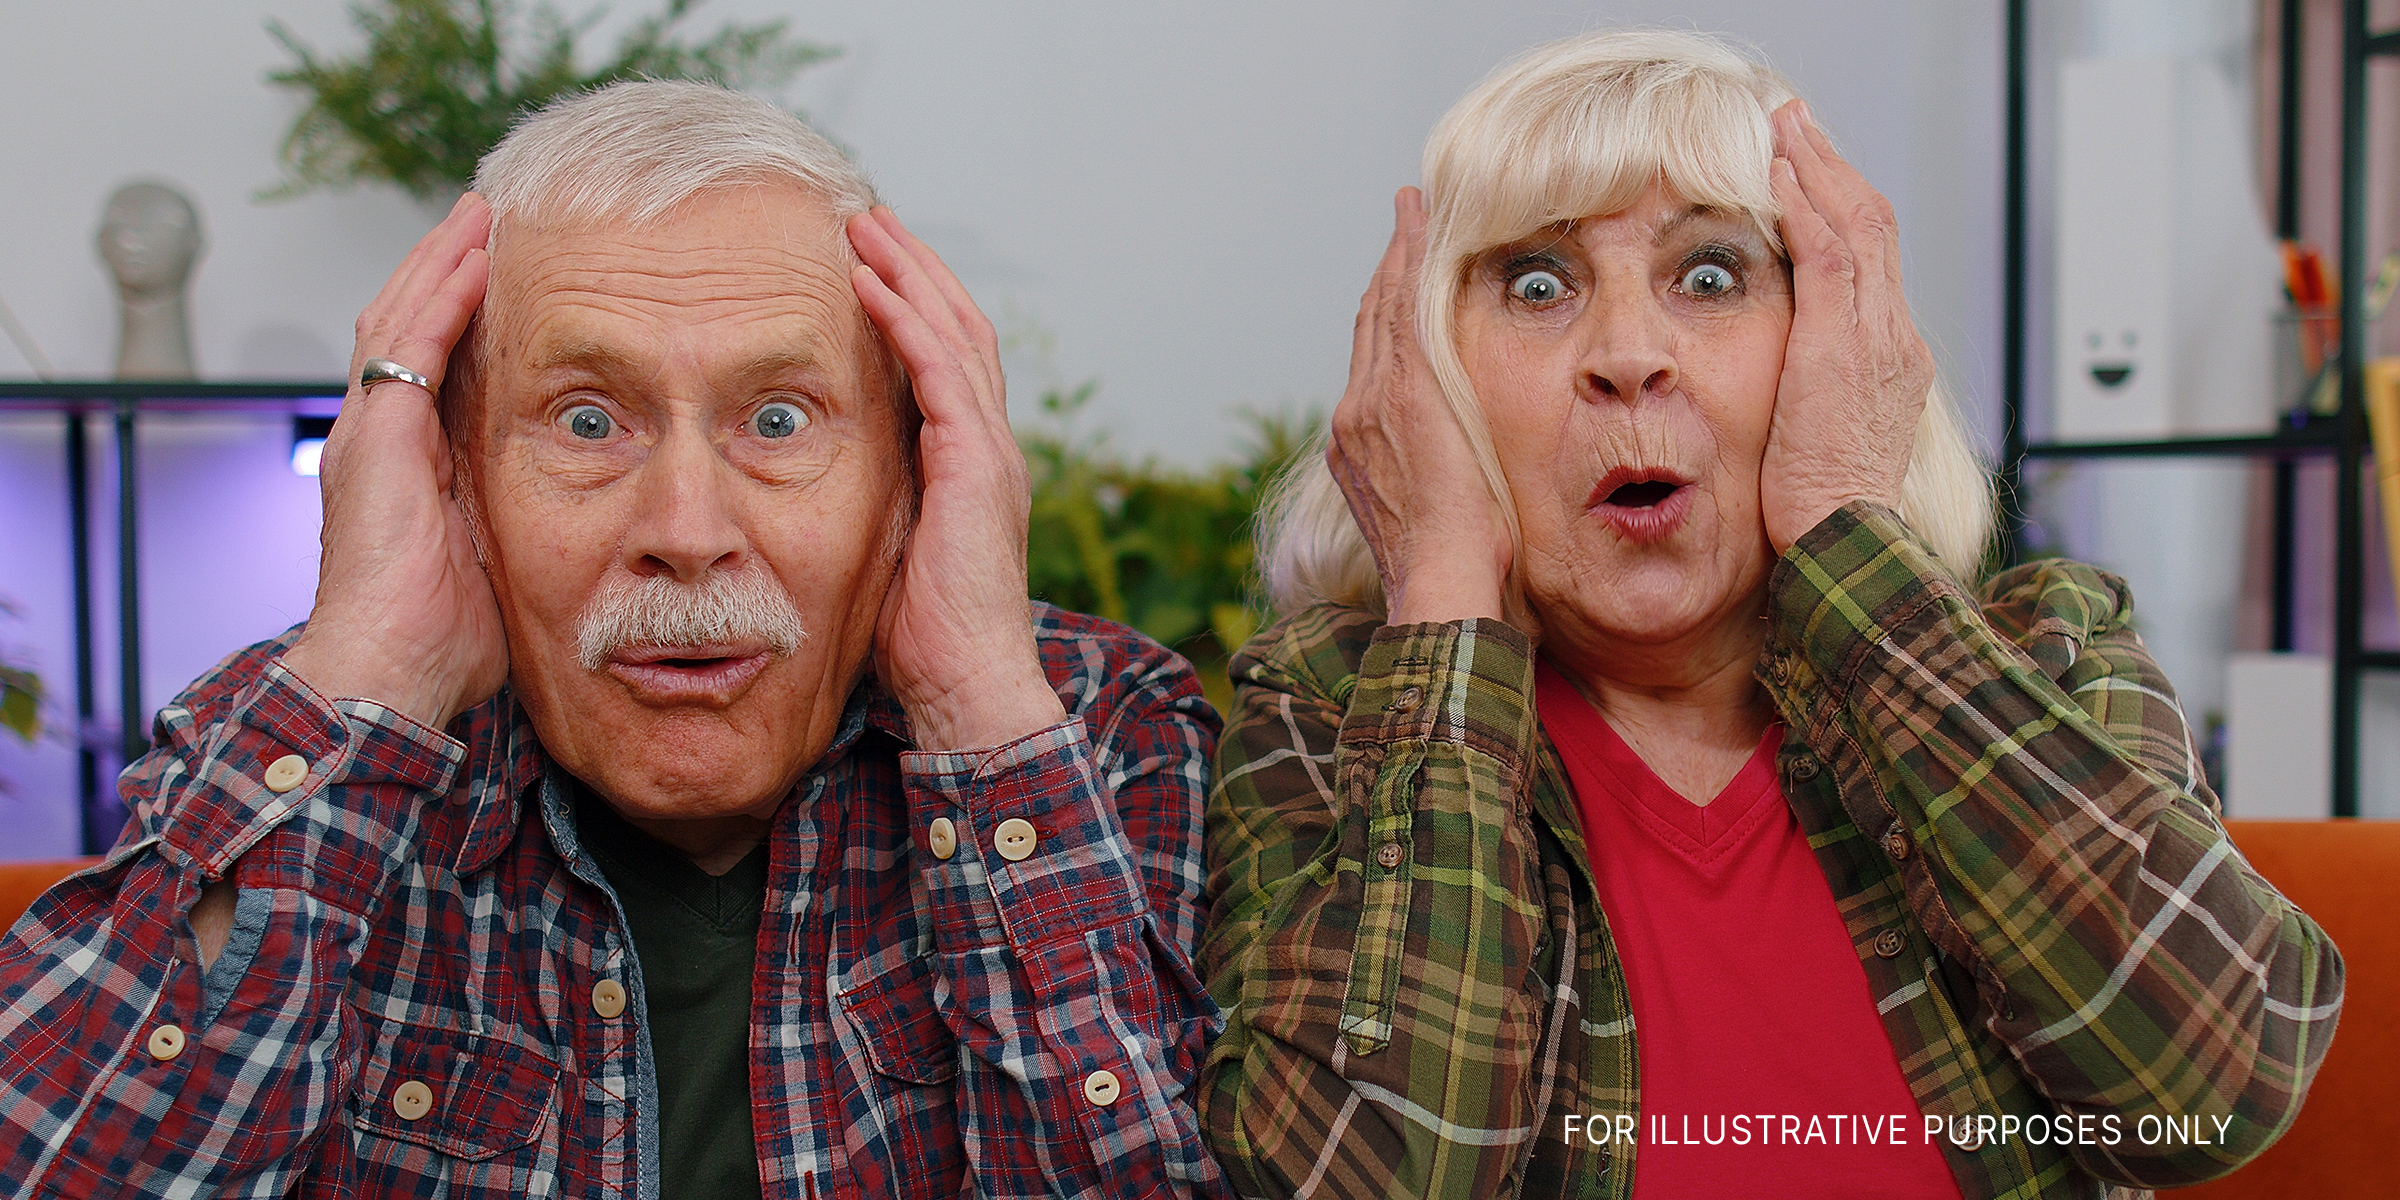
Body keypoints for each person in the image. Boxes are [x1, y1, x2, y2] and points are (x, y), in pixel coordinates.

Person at [0, 81, 1226, 1200]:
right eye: (587, 420)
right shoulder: (287, 738)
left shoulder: (1096, 730)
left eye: (780, 419)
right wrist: (368, 674)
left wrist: (978, 710)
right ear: (459, 477)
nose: (687, 532)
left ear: (911, 478)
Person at [1198, 29, 2340, 1200]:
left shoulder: (2048, 647)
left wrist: (1848, 521)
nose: (1630, 355)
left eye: (1710, 276)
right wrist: (1439, 585)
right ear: (1434, 375)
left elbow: (2216, 1093)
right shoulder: (1330, 709)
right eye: (1536, 285)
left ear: (1836, 344)